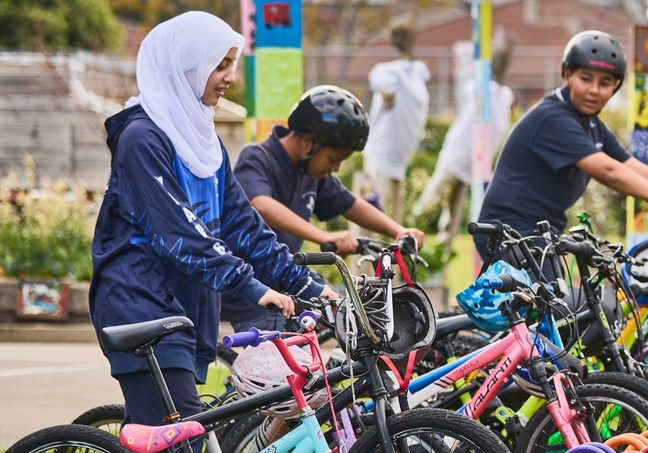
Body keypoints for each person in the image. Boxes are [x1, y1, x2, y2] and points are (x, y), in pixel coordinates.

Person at [89, 12, 336, 426]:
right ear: (187, 65)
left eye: (232, 65)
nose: (229, 77)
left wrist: (311, 285)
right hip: (141, 307)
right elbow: (179, 233)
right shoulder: (141, 138)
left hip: (182, 309)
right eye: (219, 65)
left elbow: (244, 227)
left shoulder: (204, 140)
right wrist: (251, 286)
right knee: (186, 442)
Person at [474, 30, 648, 273]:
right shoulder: (553, 118)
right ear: (567, 74)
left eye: (605, 83)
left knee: (578, 316)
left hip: (539, 233)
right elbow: (610, 171)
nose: (593, 90)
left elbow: (633, 167)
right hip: (509, 233)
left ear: (615, 87)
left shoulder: (590, 124)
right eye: (585, 79)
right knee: (555, 318)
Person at [226, 85, 426, 332]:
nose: (336, 169)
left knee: (350, 319)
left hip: (289, 280)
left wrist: (398, 230)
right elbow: (260, 204)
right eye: (334, 160)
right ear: (308, 142)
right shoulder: (258, 157)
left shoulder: (311, 173)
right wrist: (323, 236)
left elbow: (350, 204)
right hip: (252, 289)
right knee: (285, 360)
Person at [413, 45, 515, 249]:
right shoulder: (480, 87)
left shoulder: (504, 95)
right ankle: (410, 227)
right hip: (457, 155)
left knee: (454, 211)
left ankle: (443, 251)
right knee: (431, 198)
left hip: (475, 164)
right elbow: (472, 92)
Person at [357, 20, 430, 224]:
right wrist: (387, 95)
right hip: (382, 152)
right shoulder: (388, 72)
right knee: (374, 207)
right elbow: (385, 90)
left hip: (399, 153)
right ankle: (371, 252)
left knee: (391, 210)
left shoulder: (415, 72)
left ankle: (394, 250)